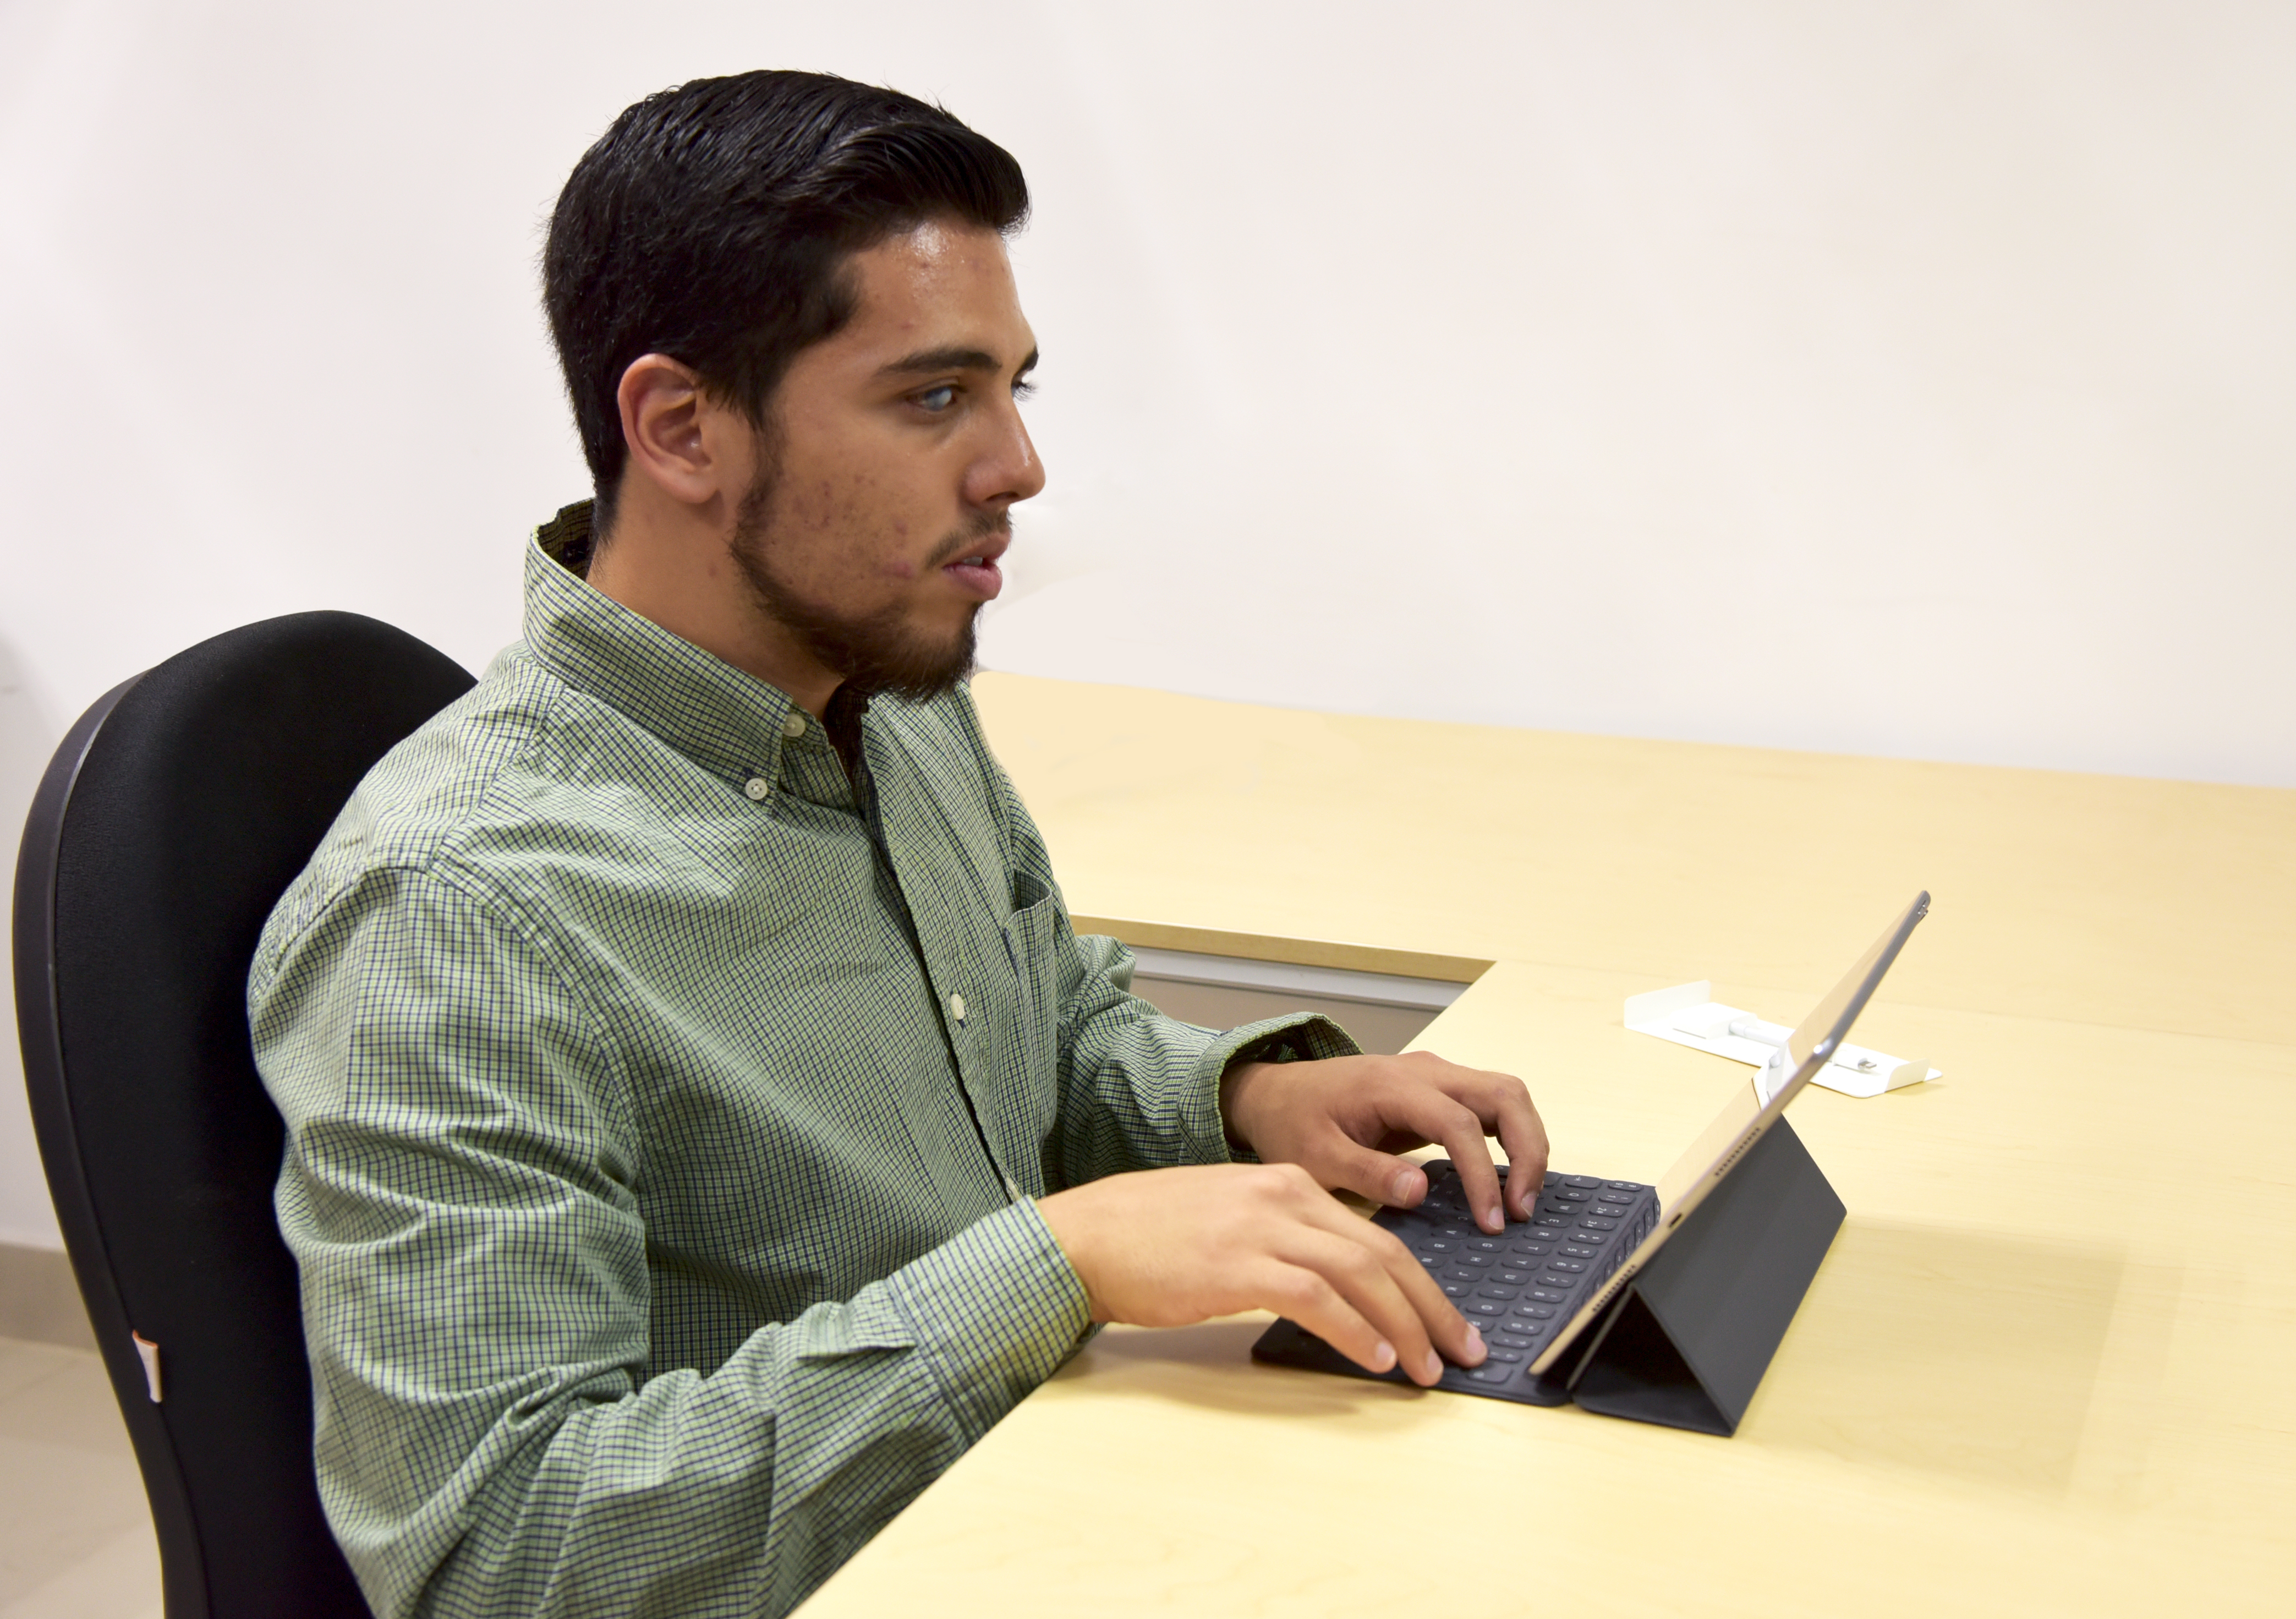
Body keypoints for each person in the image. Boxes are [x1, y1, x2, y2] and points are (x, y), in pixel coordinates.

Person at [251, 69, 1549, 1619]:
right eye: (934, 397)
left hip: (1036, 1505)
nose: (1016, 466)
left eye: (1016, 388)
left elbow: (1037, 1044)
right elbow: (503, 1556)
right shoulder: (451, 916)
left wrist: (1249, 1098)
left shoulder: (889, 686)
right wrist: (1052, 1269)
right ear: (679, 428)